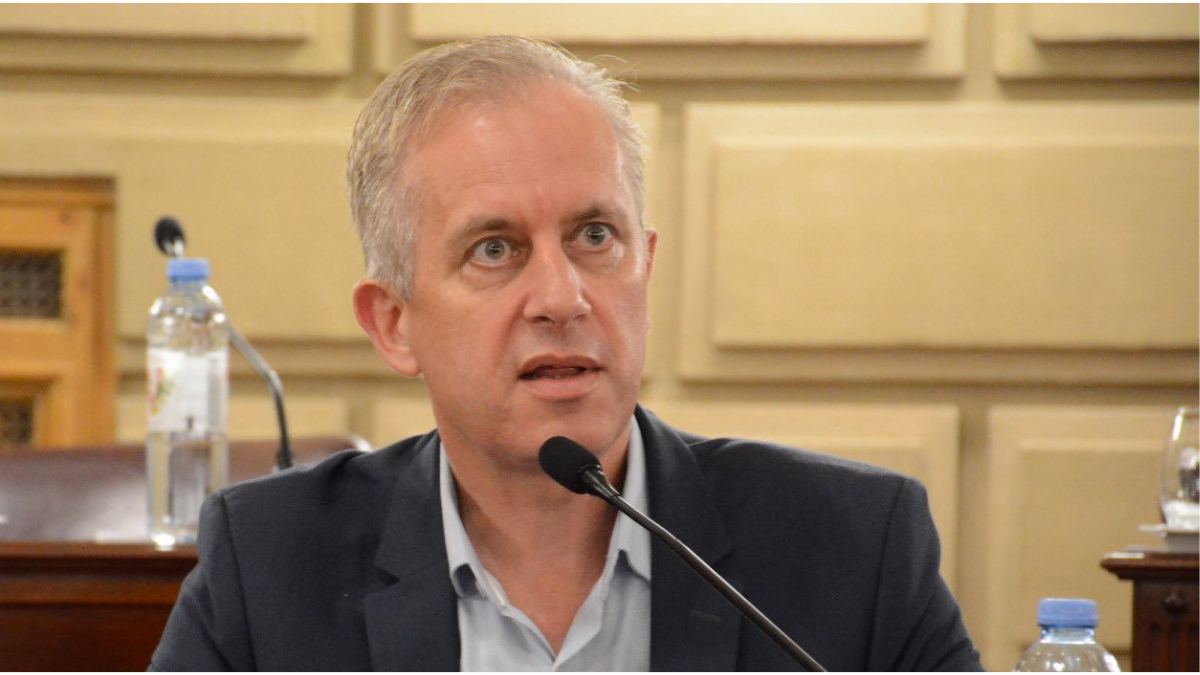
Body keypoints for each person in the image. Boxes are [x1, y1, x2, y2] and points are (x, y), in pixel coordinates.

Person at [150, 36, 982, 671]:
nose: (562, 296)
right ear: (394, 324)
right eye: (495, 249)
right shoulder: (268, 568)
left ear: (645, 266)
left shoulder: (854, 549)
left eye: (593, 236)